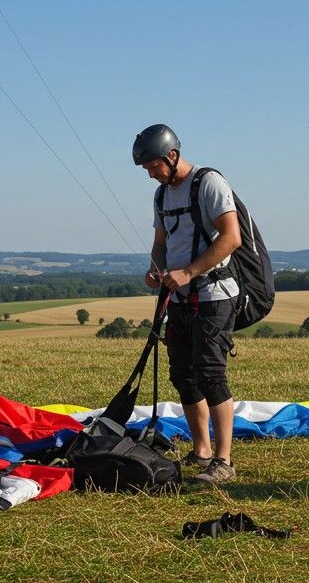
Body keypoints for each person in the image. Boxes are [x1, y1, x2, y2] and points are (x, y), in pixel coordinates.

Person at [133, 123, 241, 484]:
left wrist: (189, 272)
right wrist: (156, 270)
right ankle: (202, 450)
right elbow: (161, 242)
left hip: (214, 296)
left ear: (172, 156)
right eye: (147, 170)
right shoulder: (162, 196)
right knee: (183, 375)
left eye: (153, 167)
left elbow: (231, 238)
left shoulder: (208, 183)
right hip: (178, 298)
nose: (151, 175)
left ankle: (224, 461)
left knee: (211, 375)